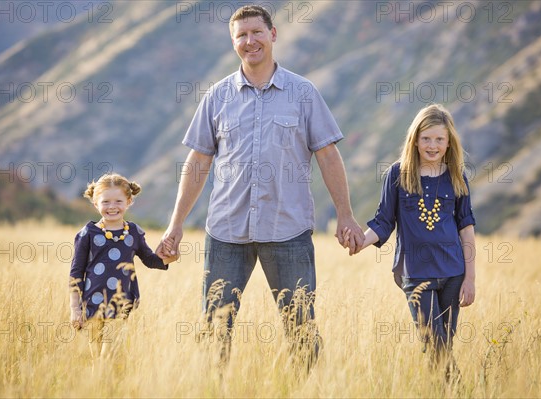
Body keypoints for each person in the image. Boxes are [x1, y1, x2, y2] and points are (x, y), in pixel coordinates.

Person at [157, 5, 364, 368]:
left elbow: (329, 157)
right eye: (241, 35)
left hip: (288, 231)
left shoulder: (303, 92)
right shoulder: (217, 96)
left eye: (256, 32)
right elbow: (198, 162)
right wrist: (175, 226)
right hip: (226, 232)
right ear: (233, 42)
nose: (249, 41)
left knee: (300, 328)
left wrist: (345, 215)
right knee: (214, 329)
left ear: (273, 34)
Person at [343, 104, 476, 378]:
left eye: (439, 139)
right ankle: (462, 391)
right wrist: (360, 242)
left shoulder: (457, 176)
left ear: (449, 142)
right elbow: (383, 222)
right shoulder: (398, 174)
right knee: (436, 346)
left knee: (443, 348)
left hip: (453, 273)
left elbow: (466, 227)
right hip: (415, 275)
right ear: (415, 139)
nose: (432, 145)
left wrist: (470, 279)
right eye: (426, 138)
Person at [69, 173, 174, 361]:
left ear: (129, 201)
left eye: (118, 201)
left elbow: (150, 260)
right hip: (91, 304)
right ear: (95, 203)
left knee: (106, 357)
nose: (112, 207)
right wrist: (75, 308)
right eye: (105, 202)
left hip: (120, 302)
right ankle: (101, 389)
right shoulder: (88, 233)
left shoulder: (133, 232)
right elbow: (76, 273)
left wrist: (169, 258)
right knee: (97, 359)